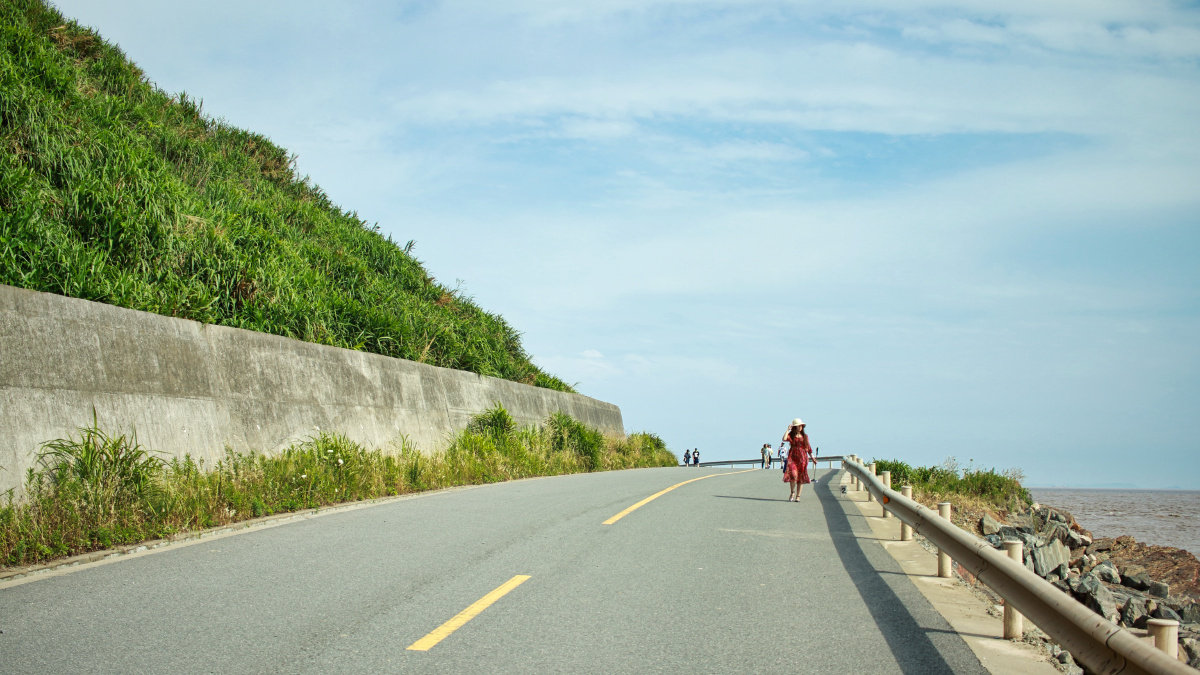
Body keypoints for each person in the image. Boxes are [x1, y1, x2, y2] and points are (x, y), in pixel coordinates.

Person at [782, 418, 816, 501]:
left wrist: (813, 458)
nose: (799, 427)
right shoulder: (791, 435)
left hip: (802, 458)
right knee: (793, 475)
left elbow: (808, 448)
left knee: (800, 477)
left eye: (800, 426)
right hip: (792, 457)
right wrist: (788, 429)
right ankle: (792, 492)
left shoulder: (805, 436)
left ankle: (798, 496)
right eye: (797, 426)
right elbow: (784, 438)